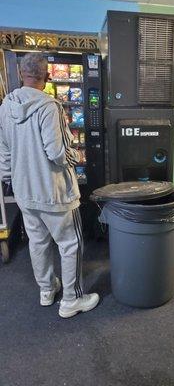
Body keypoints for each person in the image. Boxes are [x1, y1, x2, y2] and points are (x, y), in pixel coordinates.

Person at [0, 52, 99, 318]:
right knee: (70, 244)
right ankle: (71, 299)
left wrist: (11, 180)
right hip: (55, 193)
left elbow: (4, 154)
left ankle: (46, 290)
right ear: (47, 76)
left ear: (21, 74)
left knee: (38, 242)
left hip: (24, 191)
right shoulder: (49, 107)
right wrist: (76, 156)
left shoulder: (5, 105)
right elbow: (56, 152)